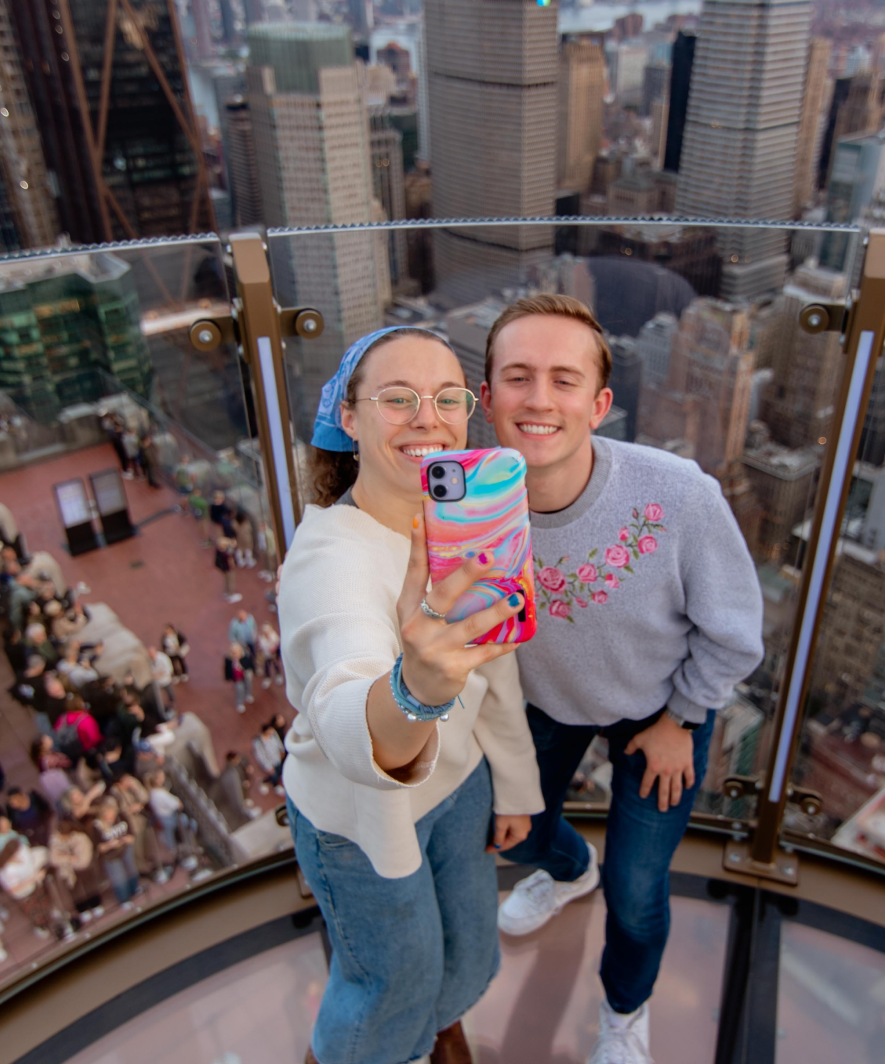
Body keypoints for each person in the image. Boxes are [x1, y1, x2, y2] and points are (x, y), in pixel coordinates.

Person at [478, 295, 764, 1064]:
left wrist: (684, 719)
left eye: (564, 380)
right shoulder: (468, 503)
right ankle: (572, 870)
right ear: (487, 398)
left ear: (600, 405)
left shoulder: (679, 495)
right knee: (518, 837)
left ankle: (624, 1011)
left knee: (636, 895)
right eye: (518, 377)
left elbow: (736, 632)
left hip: (661, 709)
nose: (539, 399)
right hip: (544, 701)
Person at [283, 326, 544, 1064]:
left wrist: (515, 788)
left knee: (467, 944)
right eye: (397, 398)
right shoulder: (329, 558)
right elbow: (345, 708)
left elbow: (495, 671)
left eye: (448, 398)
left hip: (460, 789)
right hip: (360, 819)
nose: (428, 417)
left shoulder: (465, 532)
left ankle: (438, 1025)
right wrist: (415, 689)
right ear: (349, 417)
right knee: (392, 979)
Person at [89, 797, 140, 906]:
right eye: (108, 815)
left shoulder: (121, 817)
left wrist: (128, 839)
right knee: (119, 878)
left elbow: (132, 834)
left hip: (125, 849)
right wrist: (110, 845)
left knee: (132, 870)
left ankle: (134, 890)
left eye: (113, 814)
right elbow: (99, 848)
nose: (111, 818)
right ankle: (124, 899)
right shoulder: (97, 826)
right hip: (111, 856)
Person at [221, 642, 253, 714]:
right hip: (237, 678)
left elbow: (249, 665)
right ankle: (240, 703)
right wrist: (228, 677)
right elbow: (227, 669)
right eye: (234, 653)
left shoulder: (245, 657)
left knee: (248, 685)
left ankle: (248, 695)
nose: (236, 654)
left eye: (237, 652)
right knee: (239, 689)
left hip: (245, 676)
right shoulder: (229, 660)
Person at [214, 537, 241, 603]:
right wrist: (232, 545)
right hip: (228, 567)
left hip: (223, 568)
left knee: (226, 579)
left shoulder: (219, 551)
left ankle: (227, 593)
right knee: (231, 580)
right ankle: (231, 595)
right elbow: (230, 556)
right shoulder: (225, 553)